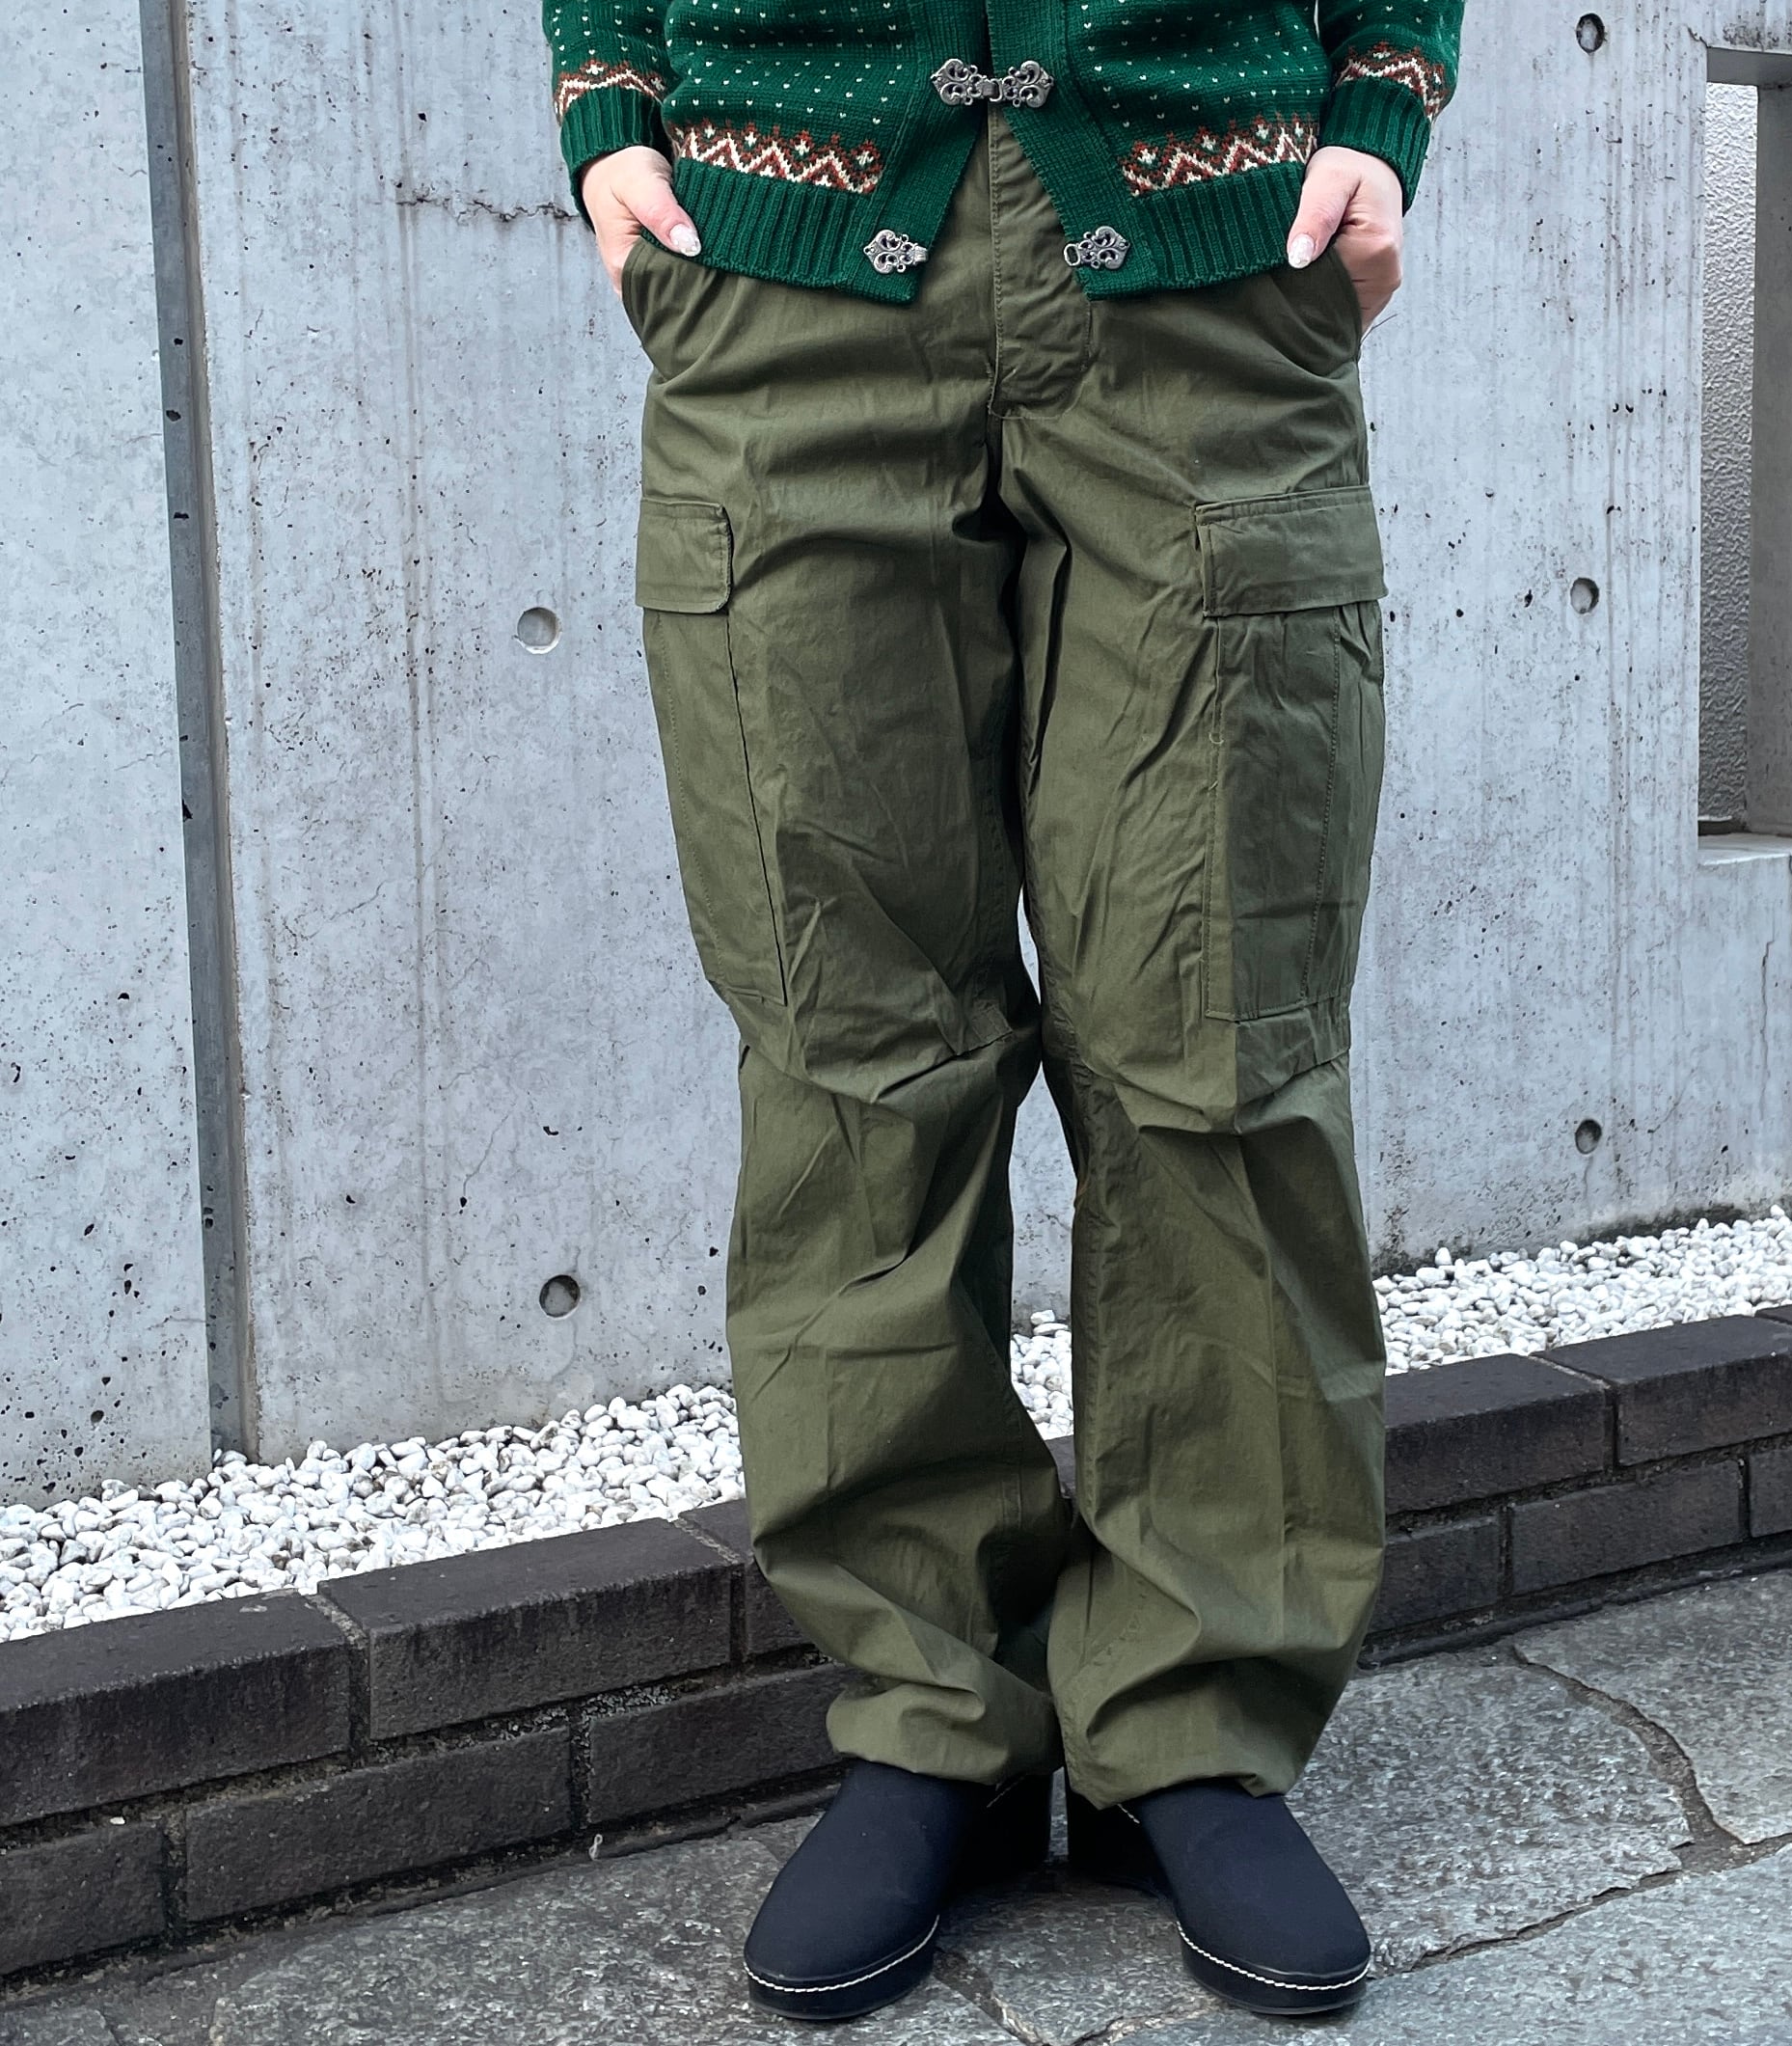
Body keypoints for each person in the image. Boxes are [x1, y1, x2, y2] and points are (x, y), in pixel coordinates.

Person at [542, 1, 1462, 2022]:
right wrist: (605, 100)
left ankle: (1193, 1719)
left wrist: (1386, 95)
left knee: (1216, 1035)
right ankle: (929, 1714)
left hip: (1207, 271)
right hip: (781, 275)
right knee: (848, 1051)